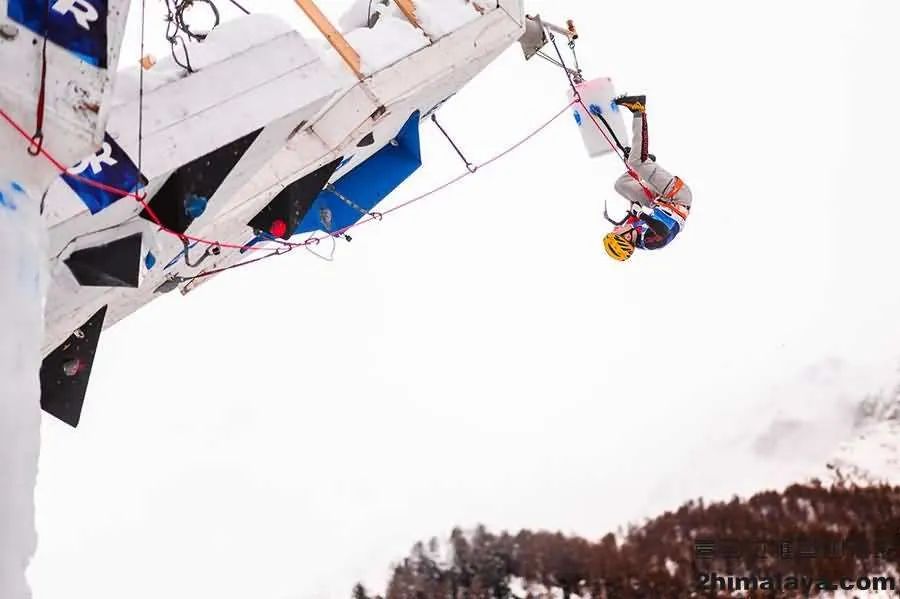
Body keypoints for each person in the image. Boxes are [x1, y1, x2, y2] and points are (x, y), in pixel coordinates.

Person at [602, 95, 693, 261]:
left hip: (657, 201)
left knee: (621, 185)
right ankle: (639, 110)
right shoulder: (650, 242)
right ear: (627, 238)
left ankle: (642, 161)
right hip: (677, 199)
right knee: (636, 161)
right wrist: (641, 215)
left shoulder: (631, 229)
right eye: (616, 233)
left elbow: (635, 203)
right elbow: (662, 232)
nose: (615, 229)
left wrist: (635, 209)